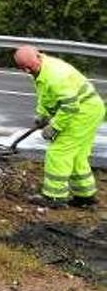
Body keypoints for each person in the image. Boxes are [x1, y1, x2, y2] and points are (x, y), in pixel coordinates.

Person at [14, 45, 104, 208]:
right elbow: (46, 96)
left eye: (27, 69)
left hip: (82, 112)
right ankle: (85, 196)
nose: (27, 72)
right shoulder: (42, 69)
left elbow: (70, 106)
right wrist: (42, 116)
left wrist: (54, 126)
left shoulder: (55, 75)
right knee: (76, 155)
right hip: (88, 109)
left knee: (58, 153)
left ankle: (54, 196)